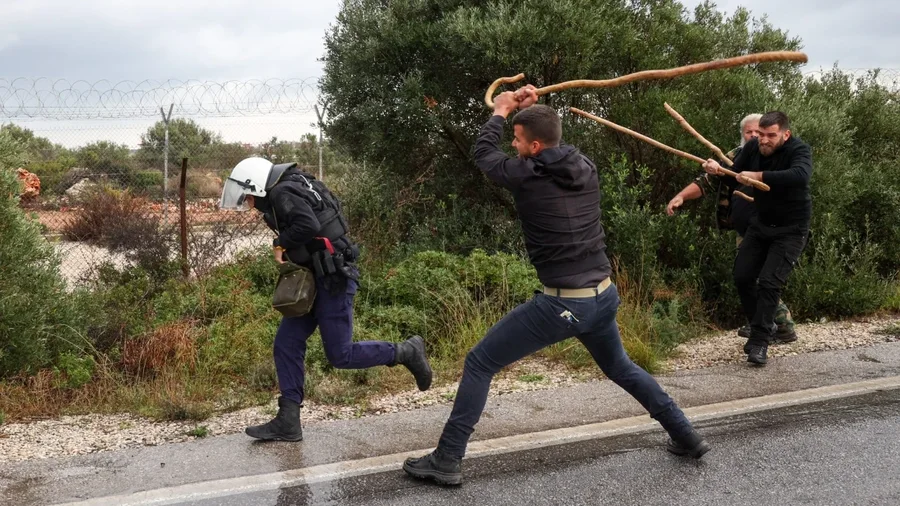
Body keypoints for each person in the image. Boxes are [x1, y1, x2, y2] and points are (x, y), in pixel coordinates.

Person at [403, 86, 709, 486]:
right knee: (620, 367)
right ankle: (685, 435)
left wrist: (500, 111)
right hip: (603, 295)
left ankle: (446, 459)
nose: (511, 146)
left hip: (565, 304)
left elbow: (483, 155)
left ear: (533, 146)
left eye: (517, 141)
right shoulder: (584, 165)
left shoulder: (528, 176)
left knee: (480, 361)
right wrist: (528, 112)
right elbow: (553, 141)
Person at [219, 158, 433, 441]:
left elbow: (307, 225)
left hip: (333, 278)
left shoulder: (283, 192)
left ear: (257, 185)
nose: (247, 202)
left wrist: (280, 242)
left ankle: (406, 351)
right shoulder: (294, 184)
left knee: (340, 355)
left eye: (247, 195)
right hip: (315, 276)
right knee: (287, 342)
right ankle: (288, 420)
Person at [666, 114, 797, 344]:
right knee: (746, 276)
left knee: (762, 277)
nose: (756, 136)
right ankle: (761, 323)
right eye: (750, 132)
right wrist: (681, 197)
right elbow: (706, 182)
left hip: (772, 229)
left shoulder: (778, 157)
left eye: (760, 132)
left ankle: (782, 326)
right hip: (745, 230)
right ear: (742, 134)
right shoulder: (735, 157)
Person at [701, 112, 812, 366]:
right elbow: (736, 173)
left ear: (785, 134)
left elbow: (800, 176)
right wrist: (717, 171)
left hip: (791, 229)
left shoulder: (799, 150)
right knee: (742, 275)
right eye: (761, 134)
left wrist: (759, 176)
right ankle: (763, 325)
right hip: (761, 225)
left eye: (771, 135)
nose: (764, 140)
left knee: (770, 283)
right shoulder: (752, 147)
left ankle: (760, 342)